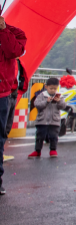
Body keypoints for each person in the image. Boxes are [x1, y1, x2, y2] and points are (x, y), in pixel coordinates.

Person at [0, 15, 25, 196]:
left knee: (0, 138)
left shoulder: (15, 33)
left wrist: (3, 30)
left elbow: (13, 51)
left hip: (3, 94)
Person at [28, 78, 66, 158]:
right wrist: (46, 102)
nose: (53, 90)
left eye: (55, 88)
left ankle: (53, 150)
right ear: (46, 87)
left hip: (54, 120)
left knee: (54, 136)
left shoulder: (59, 96)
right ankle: (37, 151)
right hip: (42, 120)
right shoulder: (42, 95)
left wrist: (59, 101)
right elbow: (36, 104)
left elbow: (63, 106)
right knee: (39, 136)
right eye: (51, 88)